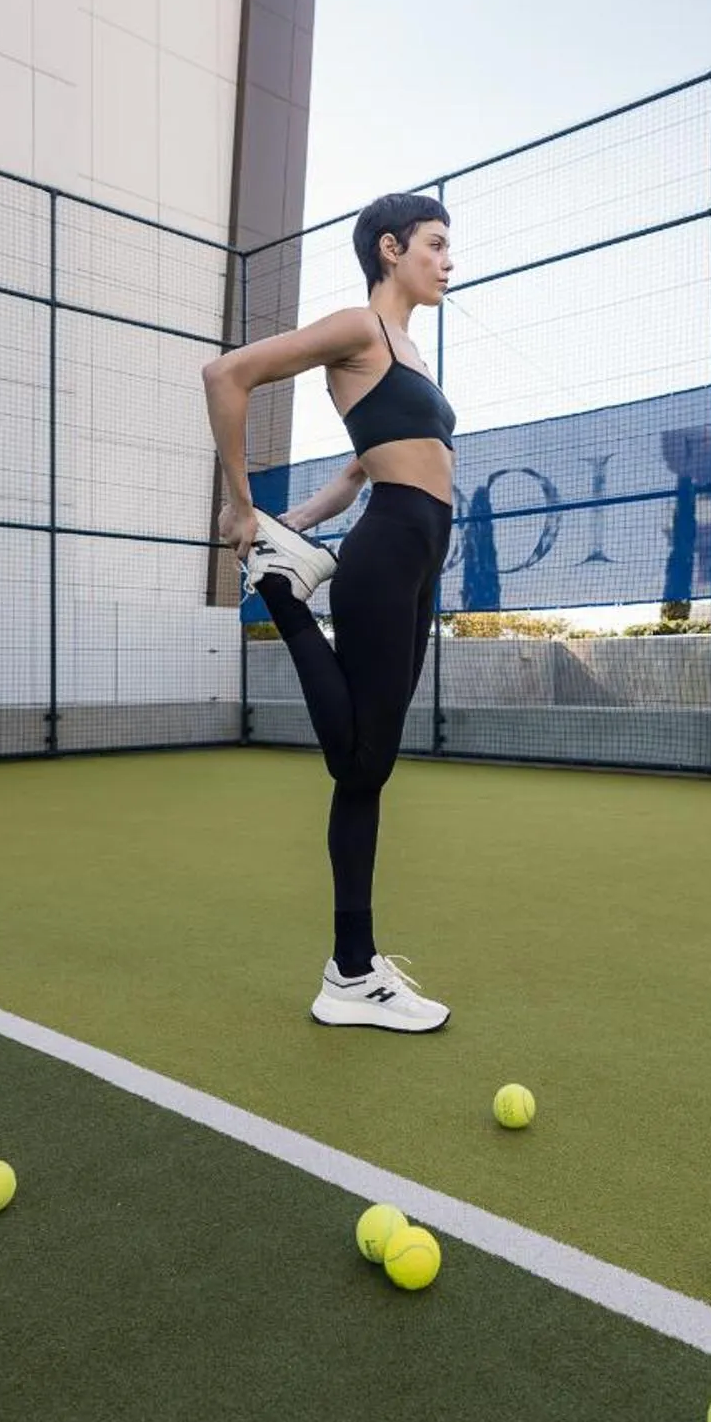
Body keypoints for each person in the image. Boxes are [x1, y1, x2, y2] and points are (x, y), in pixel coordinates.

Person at [204, 191, 457, 1032]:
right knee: (360, 766)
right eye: (434, 243)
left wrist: (297, 525)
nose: (447, 260)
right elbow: (226, 373)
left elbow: (358, 466)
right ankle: (279, 589)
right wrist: (245, 512)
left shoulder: (412, 354)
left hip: (418, 550)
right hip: (387, 549)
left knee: (366, 769)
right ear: (390, 249)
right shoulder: (359, 328)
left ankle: (354, 968)